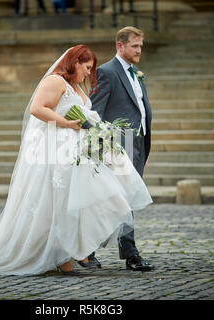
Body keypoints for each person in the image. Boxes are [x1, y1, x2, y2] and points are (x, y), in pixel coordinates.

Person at [0, 45, 153, 276]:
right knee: (60, 204)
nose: (89, 73)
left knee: (91, 198)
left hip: (77, 150)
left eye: (91, 68)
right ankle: (64, 257)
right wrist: (67, 123)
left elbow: (87, 113)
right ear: (74, 63)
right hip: (57, 150)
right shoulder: (56, 81)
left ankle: (77, 251)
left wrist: (98, 130)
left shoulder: (76, 86)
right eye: (87, 67)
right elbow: (37, 109)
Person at [90, 26, 155, 271]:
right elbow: (95, 113)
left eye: (140, 46)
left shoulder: (136, 73)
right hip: (117, 145)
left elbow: (140, 110)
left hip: (136, 144)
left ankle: (126, 252)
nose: (139, 50)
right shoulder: (106, 72)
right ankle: (92, 250)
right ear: (120, 45)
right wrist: (103, 149)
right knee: (109, 200)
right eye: (134, 46)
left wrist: (143, 148)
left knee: (127, 200)